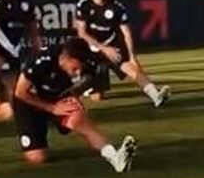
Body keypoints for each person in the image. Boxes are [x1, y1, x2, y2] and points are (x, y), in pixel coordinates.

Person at [9, 39, 137, 171]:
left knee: (80, 121)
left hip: (58, 96)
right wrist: (52, 108)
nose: (78, 73)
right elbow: (20, 92)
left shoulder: (88, 60)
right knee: (37, 158)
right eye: (75, 68)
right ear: (64, 59)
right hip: (29, 102)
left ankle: (115, 157)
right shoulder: (40, 61)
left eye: (80, 68)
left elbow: (105, 60)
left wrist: (74, 96)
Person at [74, 0, 169, 107]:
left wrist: (132, 57)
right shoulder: (84, 4)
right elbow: (82, 33)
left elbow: (126, 33)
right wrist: (103, 48)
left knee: (133, 69)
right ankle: (75, 93)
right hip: (91, 49)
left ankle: (156, 96)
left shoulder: (116, 6)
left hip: (112, 47)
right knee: (96, 97)